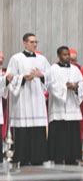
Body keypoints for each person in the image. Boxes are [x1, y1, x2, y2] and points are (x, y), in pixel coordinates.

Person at [6, 33, 50, 165]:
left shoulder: (42, 59)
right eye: (32, 42)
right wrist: (23, 78)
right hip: (23, 100)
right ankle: (23, 158)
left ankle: (38, 158)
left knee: (37, 130)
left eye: (36, 42)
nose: (35, 44)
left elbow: (50, 77)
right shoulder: (16, 58)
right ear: (24, 43)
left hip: (37, 100)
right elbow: (10, 77)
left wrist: (41, 76)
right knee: (23, 130)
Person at [47, 46, 83, 164]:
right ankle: (58, 157)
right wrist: (65, 87)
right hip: (58, 107)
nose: (67, 57)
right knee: (59, 133)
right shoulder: (53, 69)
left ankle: (72, 157)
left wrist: (76, 87)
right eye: (64, 55)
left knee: (72, 134)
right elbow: (51, 85)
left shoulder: (75, 69)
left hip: (72, 106)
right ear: (59, 56)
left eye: (68, 54)